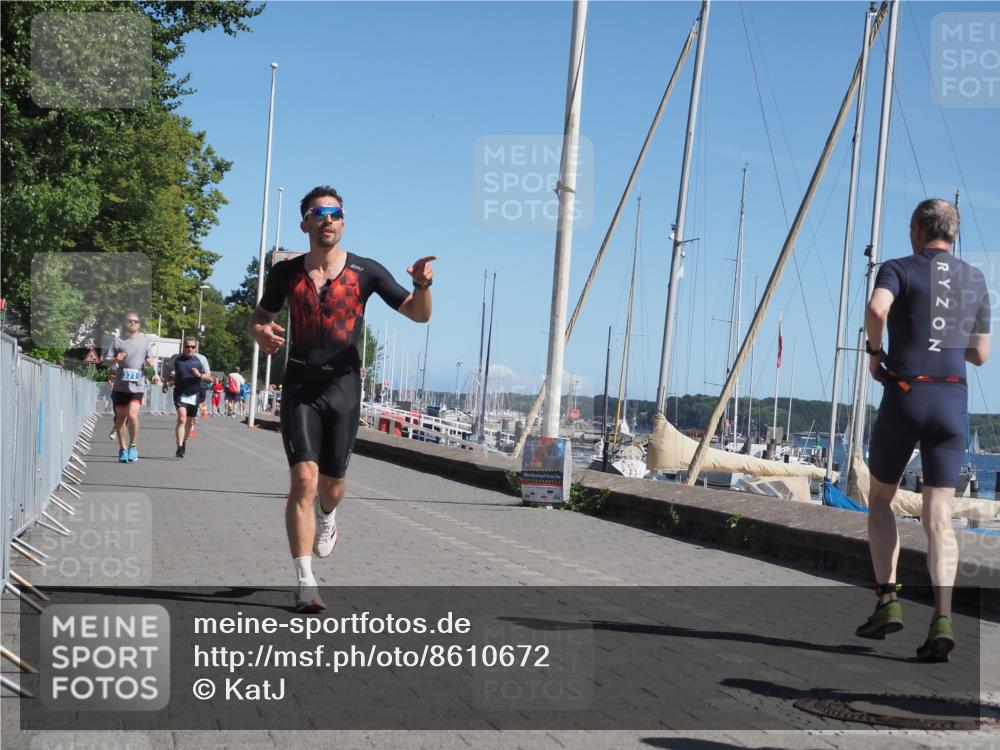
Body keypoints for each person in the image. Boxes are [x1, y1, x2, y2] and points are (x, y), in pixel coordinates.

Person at [249, 185, 434, 612]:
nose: (327, 218)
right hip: (299, 385)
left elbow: (417, 313)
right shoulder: (286, 274)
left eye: (334, 212)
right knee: (303, 481)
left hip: (345, 388)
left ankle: (329, 518)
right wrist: (259, 331)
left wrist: (421, 286)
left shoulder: (365, 272)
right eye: (319, 212)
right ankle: (305, 580)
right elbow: (261, 317)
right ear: (306, 223)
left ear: (343, 222)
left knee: (331, 486)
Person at [857, 198, 991, 661]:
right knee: (939, 518)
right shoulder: (975, 280)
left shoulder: (897, 268)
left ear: (916, 229)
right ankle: (943, 618)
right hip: (952, 404)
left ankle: (888, 601)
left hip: (907, 396)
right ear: (952, 236)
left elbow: (877, 311)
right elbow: (981, 354)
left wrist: (876, 353)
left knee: (880, 500)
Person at [102, 312, 155, 463]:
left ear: (139, 324)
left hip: (137, 386)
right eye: (129, 321)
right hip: (121, 386)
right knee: (120, 418)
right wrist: (115, 359)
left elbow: (149, 357)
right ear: (124, 323)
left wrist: (151, 362)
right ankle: (122, 448)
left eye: (135, 321)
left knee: (132, 415)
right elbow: (107, 362)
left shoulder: (145, 341)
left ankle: (133, 445)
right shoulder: (117, 341)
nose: (132, 323)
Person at [164, 337, 212, 458]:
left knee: (189, 423)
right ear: (183, 347)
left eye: (192, 347)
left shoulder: (201, 359)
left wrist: (199, 375)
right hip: (180, 393)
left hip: (194, 395)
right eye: (187, 346)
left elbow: (209, 377)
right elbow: (168, 368)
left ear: (195, 348)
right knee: (181, 419)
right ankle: (179, 447)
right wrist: (165, 382)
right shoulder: (176, 358)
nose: (190, 349)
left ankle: (184, 442)